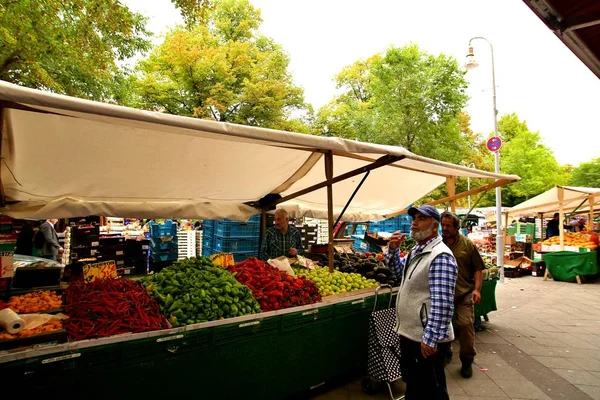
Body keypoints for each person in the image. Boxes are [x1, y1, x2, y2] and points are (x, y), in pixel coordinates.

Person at [385, 205, 458, 400]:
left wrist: (431, 337)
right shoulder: (417, 251)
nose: (415, 223)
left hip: (425, 337)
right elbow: (400, 275)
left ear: (435, 226)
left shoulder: (440, 255)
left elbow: (443, 302)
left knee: (431, 390)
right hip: (411, 334)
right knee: (415, 386)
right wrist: (393, 251)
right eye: (414, 218)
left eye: (421, 219)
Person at [440, 211, 484, 378]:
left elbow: (478, 268)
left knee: (465, 325)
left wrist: (477, 289)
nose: (444, 228)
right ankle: (446, 352)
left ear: (457, 227)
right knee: (442, 326)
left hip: (463, 294)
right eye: (442, 225)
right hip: (443, 294)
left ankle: (467, 360)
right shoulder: (437, 244)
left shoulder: (467, 245)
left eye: (448, 225)